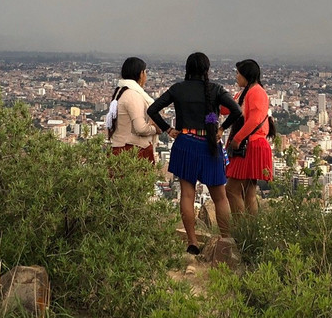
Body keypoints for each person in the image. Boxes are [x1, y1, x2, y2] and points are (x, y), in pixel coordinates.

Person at [148, 52, 242, 254]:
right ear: (207, 70)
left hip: (185, 143)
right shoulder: (215, 89)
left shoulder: (178, 89)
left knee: (187, 194)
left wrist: (167, 129)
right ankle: (226, 241)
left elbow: (153, 109)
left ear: (187, 69)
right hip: (208, 144)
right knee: (220, 197)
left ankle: (192, 241)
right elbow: (237, 111)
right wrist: (221, 128)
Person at [222, 59, 273, 217]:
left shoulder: (256, 92)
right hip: (250, 144)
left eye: (238, 73)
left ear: (246, 75)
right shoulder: (246, 92)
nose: (236, 77)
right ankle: (251, 228)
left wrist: (237, 138)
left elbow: (255, 119)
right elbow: (226, 109)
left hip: (249, 145)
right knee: (248, 191)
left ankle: (241, 227)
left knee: (232, 190)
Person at [108, 56, 159, 163]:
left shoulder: (121, 92)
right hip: (133, 150)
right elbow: (140, 128)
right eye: (145, 72)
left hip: (120, 146)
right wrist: (155, 129)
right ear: (141, 74)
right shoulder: (133, 96)